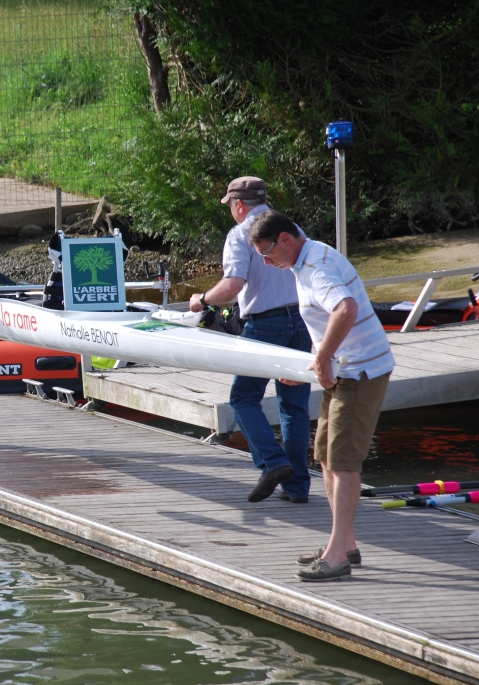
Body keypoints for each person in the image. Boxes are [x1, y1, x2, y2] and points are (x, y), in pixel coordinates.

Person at [248, 210, 394, 582]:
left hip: (359, 370)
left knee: (343, 461)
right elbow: (325, 321)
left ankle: (335, 557)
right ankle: (345, 544)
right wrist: (312, 366)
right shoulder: (305, 260)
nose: (266, 262)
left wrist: (324, 359)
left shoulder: (316, 267)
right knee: (326, 456)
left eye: (267, 253)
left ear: (285, 239)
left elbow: (346, 309)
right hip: (343, 369)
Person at [189, 177, 312, 504]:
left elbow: (233, 285)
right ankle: (297, 488)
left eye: (231, 205)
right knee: (294, 406)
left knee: (243, 398)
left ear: (238, 205)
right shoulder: (290, 226)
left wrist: (201, 299)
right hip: (301, 322)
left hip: (263, 325)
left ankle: (274, 462)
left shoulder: (240, 233)